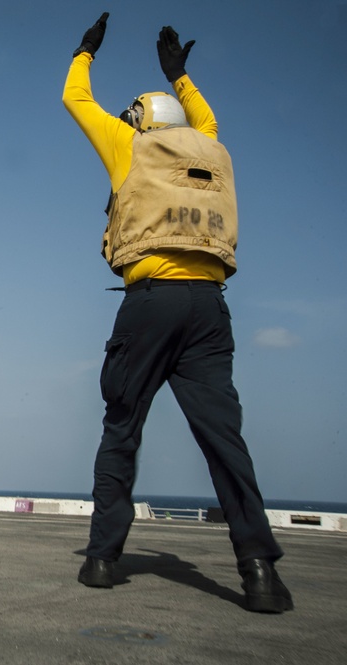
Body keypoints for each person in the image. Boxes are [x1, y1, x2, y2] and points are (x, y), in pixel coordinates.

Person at [63, 12, 292, 613]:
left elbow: (74, 98)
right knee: (224, 439)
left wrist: (86, 50)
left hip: (152, 303)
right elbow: (205, 119)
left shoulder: (129, 146)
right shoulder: (213, 149)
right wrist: (181, 75)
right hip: (211, 310)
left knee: (122, 425)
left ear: (139, 121)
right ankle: (260, 571)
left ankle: (101, 559)